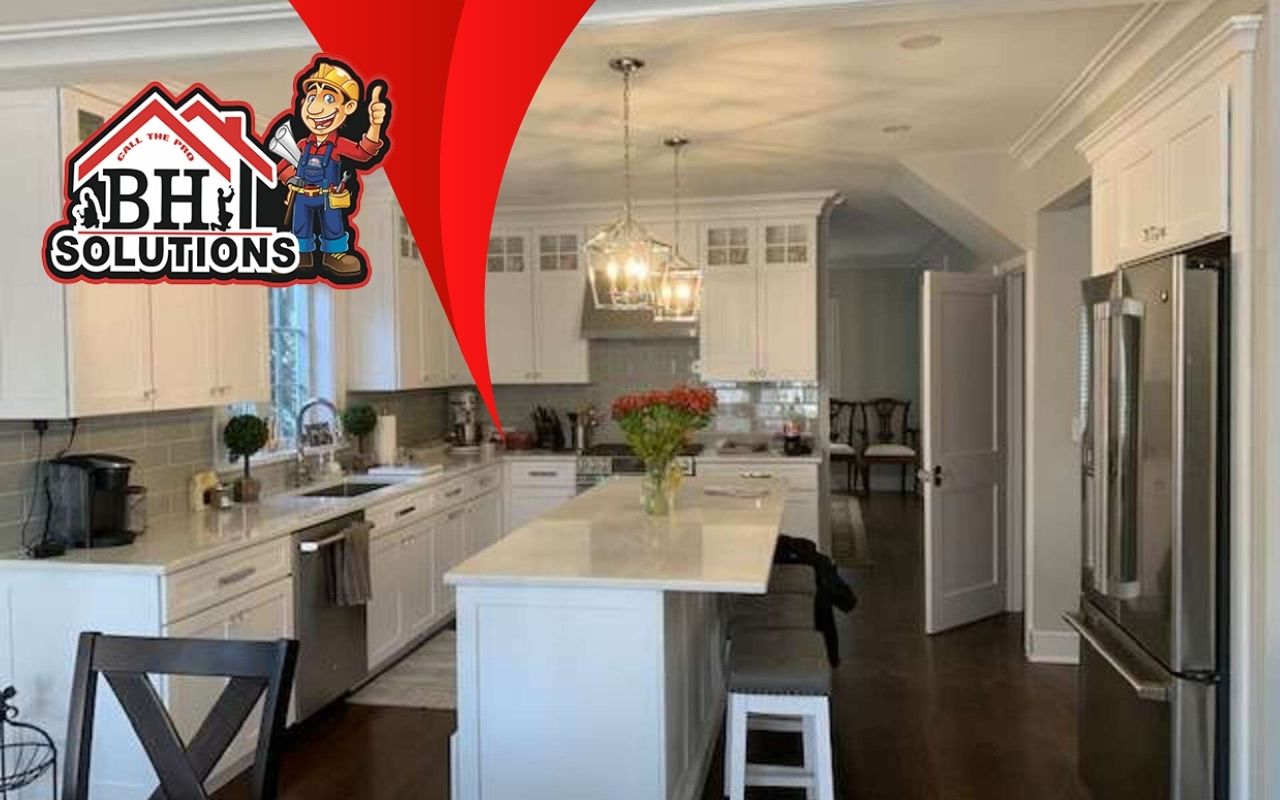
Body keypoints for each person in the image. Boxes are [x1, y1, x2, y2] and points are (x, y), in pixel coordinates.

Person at [276, 61, 388, 277]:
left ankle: (334, 256)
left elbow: (363, 152)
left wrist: (375, 126)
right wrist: (290, 178)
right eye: (311, 98)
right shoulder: (301, 145)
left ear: (348, 107)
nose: (315, 108)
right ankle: (301, 254)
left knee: (333, 225)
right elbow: (282, 166)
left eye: (328, 99)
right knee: (300, 225)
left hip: (328, 196)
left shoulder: (338, 144)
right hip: (301, 195)